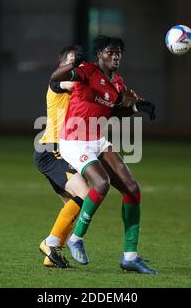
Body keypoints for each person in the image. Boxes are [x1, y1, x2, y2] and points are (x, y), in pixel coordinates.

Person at [50, 35, 158, 274]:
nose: (116, 56)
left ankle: (130, 257)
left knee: (132, 188)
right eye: (111, 51)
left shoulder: (117, 83)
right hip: (74, 140)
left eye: (119, 52)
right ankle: (76, 238)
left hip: (96, 140)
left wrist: (139, 107)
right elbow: (55, 78)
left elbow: (118, 110)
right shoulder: (86, 71)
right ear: (99, 54)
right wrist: (72, 64)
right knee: (101, 183)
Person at [35, 45, 90, 268]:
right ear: (61, 65)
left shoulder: (76, 89)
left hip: (60, 151)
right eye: (70, 60)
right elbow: (73, 84)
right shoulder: (58, 83)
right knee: (85, 194)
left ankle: (52, 255)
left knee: (73, 204)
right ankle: (50, 243)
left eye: (78, 61)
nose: (74, 64)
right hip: (51, 151)